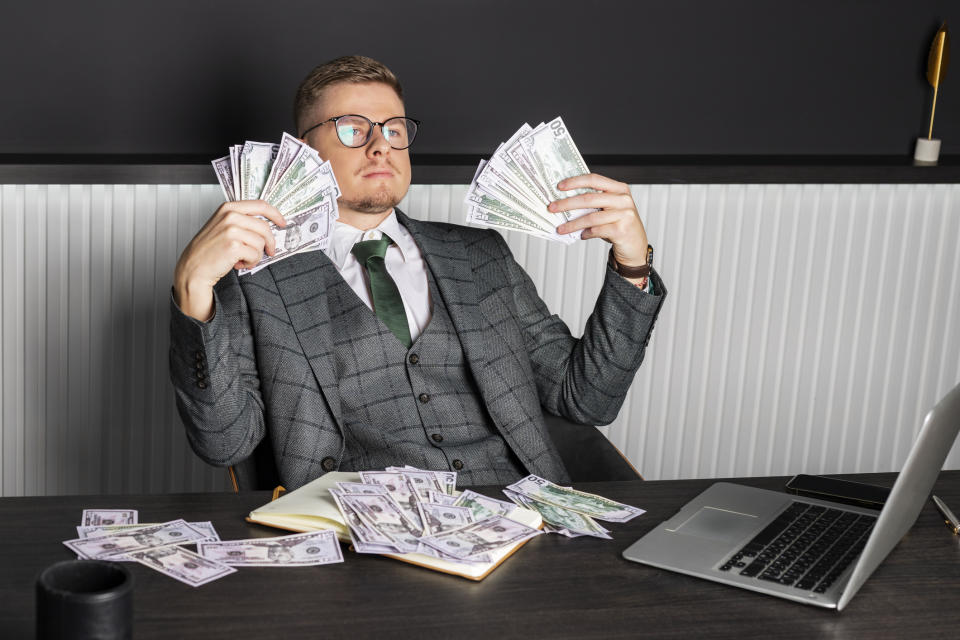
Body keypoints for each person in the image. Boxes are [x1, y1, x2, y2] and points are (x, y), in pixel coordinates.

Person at [169, 55, 666, 490]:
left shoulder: (480, 254)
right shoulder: (257, 277)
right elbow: (224, 442)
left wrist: (631, 264)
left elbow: (585, 400)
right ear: (303, 153)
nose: (380, 145)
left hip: (517, 517)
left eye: (394, 130)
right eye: (353, 129)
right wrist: (193, 288)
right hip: (363, 540)